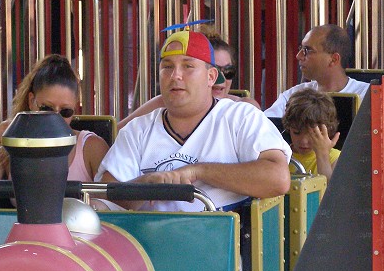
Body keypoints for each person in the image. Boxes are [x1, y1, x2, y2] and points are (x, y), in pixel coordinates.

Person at [95, 30, 292, 212]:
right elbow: (104, 196)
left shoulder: (241, 117)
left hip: (224, 243)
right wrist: (146, 184)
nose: (175, 76)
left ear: (211, 77)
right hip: (147, 243)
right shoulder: (137, 130)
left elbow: (278, 179)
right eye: (167, 67)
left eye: (188, 66)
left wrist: (199, 171)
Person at [0, 54, 109, 203]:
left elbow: (114, 203)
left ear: (74, 109)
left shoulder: (90, 147)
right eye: (47, 108)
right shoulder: (12, 149)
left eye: (65, 111)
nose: (55, 118)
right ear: (32, 101)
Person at [118, 31, 260, 128]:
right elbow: (115, 134)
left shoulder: (246, 111)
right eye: (168, 67)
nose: (220, 79)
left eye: (228, 71)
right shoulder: (165, 104)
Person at [265, 24, 369, 118]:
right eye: (300, 49)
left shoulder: (368, 97)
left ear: (334, 59)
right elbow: (265, 127)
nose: (298, 56)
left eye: (307, 50)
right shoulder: (292, 96)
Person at [283, 88, 340, 180]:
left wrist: (322, 155)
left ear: (327, 130)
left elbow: (331, 192)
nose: (303, 141)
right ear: (288, 128)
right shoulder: (280, 154)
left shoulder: (335, 158)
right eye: (296, 132)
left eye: (313, 134)